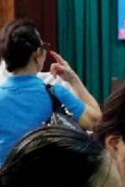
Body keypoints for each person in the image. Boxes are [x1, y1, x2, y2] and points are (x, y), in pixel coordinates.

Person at [0, 19, 100, 163]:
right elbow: (96, 121)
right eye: (43, 47)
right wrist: (73, 79)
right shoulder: (55, 94)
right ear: (37, 54)